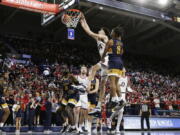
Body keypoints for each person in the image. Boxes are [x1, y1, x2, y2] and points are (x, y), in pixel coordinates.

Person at [80, 14, 110, 114]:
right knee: (102, 85)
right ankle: (99, 106)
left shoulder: (105, 37)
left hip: (108, 59)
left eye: (101, 30)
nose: (99, 31)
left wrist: (83, 20)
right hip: (106, 63)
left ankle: (84, 84)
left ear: (104, 32)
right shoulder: (98, 40)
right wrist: (83, 21)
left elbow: (90, 32)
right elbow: (88, 32)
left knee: (93, 68)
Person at [101, 26, 124, 107]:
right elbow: (121, 53)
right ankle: (121, 99)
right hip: (120, 62)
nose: (111, 32)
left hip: (113, 62)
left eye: (112, 31)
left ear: (115, 33)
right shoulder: (121, 43)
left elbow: (105, 50)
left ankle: (114, 99)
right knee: (116, 83)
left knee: (112, 83)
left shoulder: (110, 41)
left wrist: (102, 57)